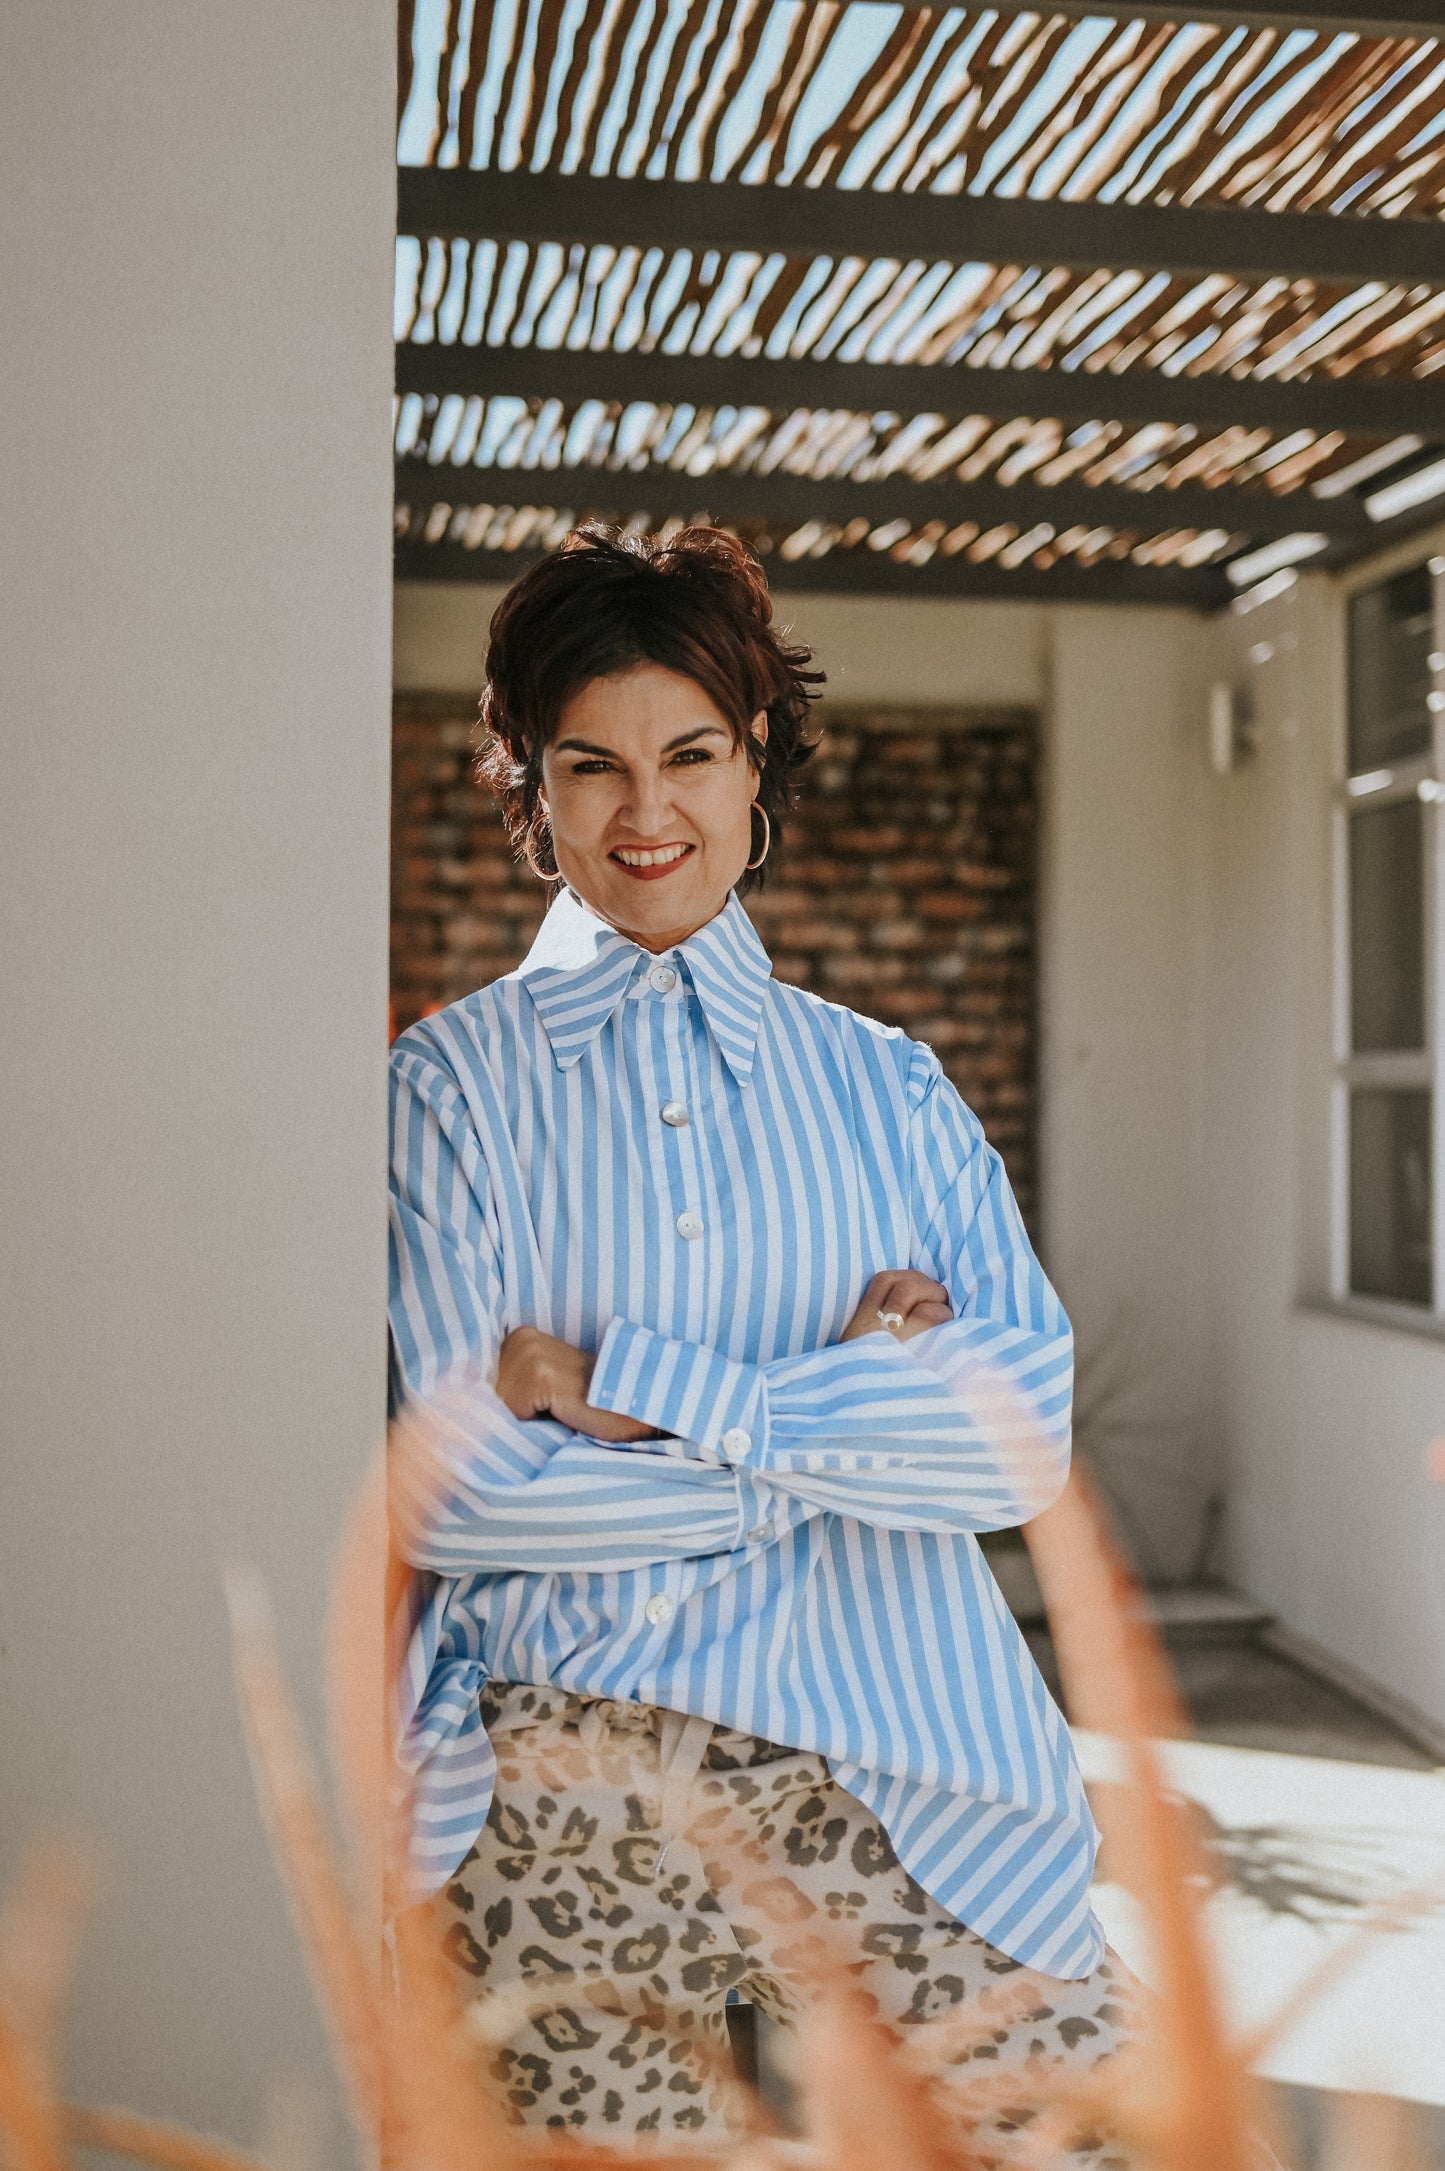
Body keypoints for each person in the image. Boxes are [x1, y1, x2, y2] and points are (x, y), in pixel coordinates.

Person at [387, 526, 1134, 2158]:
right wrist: (849, 1437)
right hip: (562, 1782)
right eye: (590, 765)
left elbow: (1016, 1441)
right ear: (528, 783)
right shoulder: (446, 1093)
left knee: (1076, 2133)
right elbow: (465, 1499)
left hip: (909, 1758)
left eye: (689, 756)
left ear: (755, 760)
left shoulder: (888, 1087)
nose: (646, 813)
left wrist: (637, 1399)